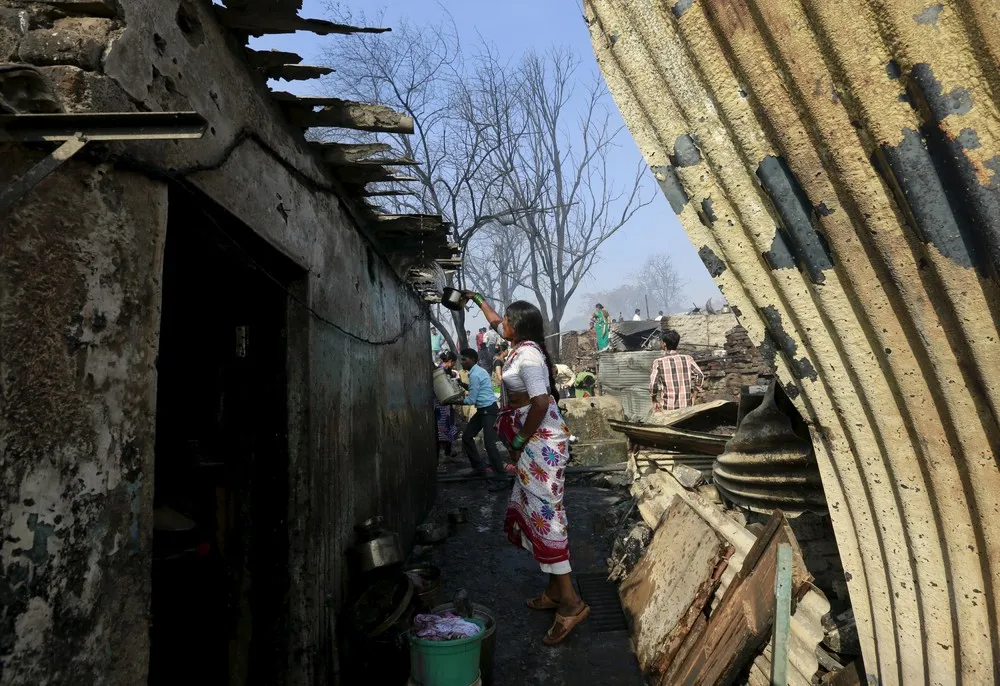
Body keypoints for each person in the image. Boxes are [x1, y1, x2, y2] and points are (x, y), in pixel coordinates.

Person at [462, 290, 589, 645]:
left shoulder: (529, 356)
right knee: (535, 510)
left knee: (546, 515)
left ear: (516, 327)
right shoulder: (519, 347)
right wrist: (475, 299)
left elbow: (540, 402)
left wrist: (518, 442)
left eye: (505, 319)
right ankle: (552, 591)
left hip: (540, 444)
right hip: (533, 445)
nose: (499, 322)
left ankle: (571, 603)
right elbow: (492, 320)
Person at [460, 348, 506, 478]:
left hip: (488, 410)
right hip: (483, 410)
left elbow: (471, 399)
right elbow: (476, 389)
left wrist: (453, 401)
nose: (462, 362)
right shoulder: (478, 371)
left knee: (489, 445)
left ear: (473, 360)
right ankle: (478, 467)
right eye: (461, 359)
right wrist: (462, 384)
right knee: (467, 436)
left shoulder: (474, 374)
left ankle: (501, 477)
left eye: (464, 359)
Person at [649, 329, 705, 411]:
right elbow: (700, 375)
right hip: (686, 407)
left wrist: (654, 400)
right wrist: (694, 396)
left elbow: (653, 384)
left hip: (667, 408)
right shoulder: (687, 359)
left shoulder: (658, 362)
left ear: (664, 344)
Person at [434, 351, 459, 456]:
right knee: (444, 428)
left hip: (441, 404)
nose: (453, 366)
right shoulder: (442, 372)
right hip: (443, 404)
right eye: (453, 363)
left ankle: (446, 453)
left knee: (444, 428)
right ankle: (446, 454)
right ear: (450, 361)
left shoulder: (439, 370)